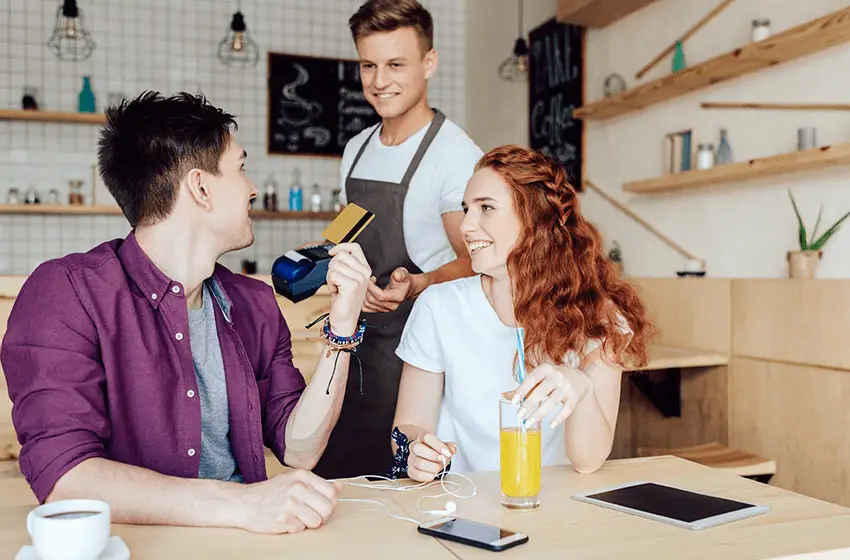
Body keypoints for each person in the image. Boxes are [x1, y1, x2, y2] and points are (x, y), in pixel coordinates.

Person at [0, 92, 373, 534]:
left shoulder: (253, 303)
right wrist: (241, 504)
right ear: (200, 187)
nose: (253, 188)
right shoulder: (66, 292)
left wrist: (343, 324)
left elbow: (299, 449)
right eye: (241, 168)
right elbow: (65, 477)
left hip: (246, 540)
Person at [391, 145, 655, 481]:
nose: (466, 226)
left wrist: (582, 388)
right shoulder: (438, 306)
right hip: (461, 499)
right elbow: (408, 424)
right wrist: (416, 449)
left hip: (554, 502)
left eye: (486, 208)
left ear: (534, 218)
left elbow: (588, 462)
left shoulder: (598, 316)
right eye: (466, 209)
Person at [312, 0, 482, 479]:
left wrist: (417, 283)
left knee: (404, 481)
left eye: (396, 65)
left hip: (419, 349)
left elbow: (479, 260)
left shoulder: (454, 155)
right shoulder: (357, 148)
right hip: (355, 341)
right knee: (340, 478)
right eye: (368, 65)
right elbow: (348, 228)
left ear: (429, 63)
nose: (379, 80)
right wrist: (326, 262)